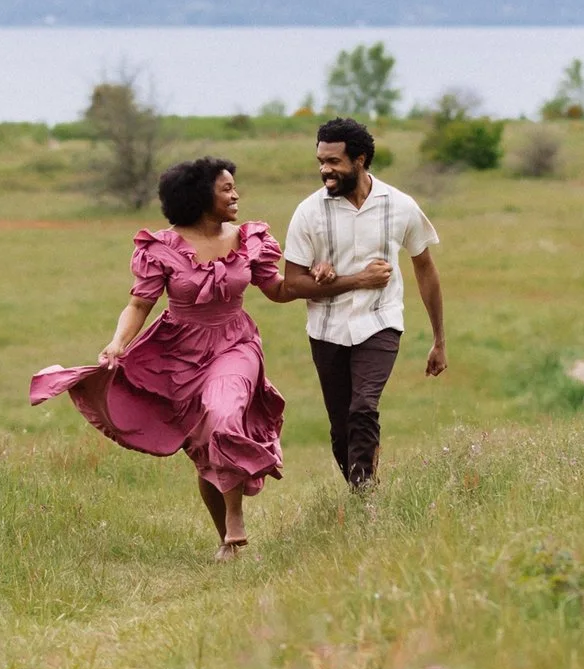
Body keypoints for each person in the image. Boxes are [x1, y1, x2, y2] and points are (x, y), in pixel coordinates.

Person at [30, 155, 386, 558]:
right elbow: (139, 305)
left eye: (234, 188)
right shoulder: (161, 249)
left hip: (235, 344)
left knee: (222, 414)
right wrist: (117, 343)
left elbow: (281, 290)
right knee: (204, 450)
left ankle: (235, 518)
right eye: (226, 189)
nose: (236, 196)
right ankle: (226, 542)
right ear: (200, 197)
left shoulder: (249, 239)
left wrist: (334, 278)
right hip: (178, 354)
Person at [283, 116, 446, 490]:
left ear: (360, 160)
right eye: (321, 161)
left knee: (363, 408)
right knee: (341, 427)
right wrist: (355, 279)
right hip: (326, 329)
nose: (325, 170)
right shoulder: (309, 212)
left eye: (334, 161)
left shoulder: (400, 206)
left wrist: (439, 340)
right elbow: (292, 282)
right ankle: (361, 491)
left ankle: (366, 493)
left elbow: (425, 268)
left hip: (380, 321)